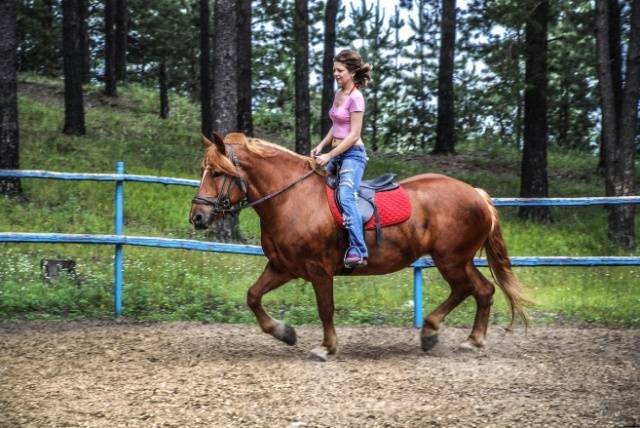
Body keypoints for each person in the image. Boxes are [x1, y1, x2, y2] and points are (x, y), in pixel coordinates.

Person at [311, 49, 372, 268]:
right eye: (334, 70)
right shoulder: (339, 94)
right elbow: (336, 126)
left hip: (353, 155)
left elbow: (353, 135)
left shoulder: (357, 98)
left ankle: (358, 249)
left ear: (352, 72)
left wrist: (329, 155)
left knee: (346, 195)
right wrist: (321, 145)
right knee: (310, 180)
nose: (336, 74)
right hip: (336, 152)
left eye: (340, 70)